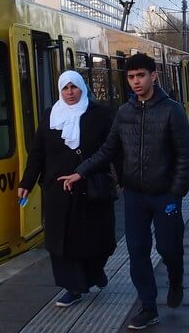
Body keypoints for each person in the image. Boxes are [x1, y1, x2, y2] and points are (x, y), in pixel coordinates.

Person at [59, 53, 189, 330]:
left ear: (153, 76)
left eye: (141, 76)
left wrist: (176, 193)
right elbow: (108, 150)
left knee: (169, 249)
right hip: (134, 196)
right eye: (131, 77)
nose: (135, 82)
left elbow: (185, 155)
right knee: (137, 251)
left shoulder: (172, 110)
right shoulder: (124, 112)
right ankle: (148, 307)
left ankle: (176, 278)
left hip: (165, 195)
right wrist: (81, 171)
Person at [17, 71, 117, 308]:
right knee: (60, 241)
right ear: (60, 91)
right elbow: (37, 153)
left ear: (82, 88)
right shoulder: (50, 115)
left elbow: (113, 150)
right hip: (57, 189)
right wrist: (26, 183)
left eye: (74, 87)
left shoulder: (100, 115)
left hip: (90, 187)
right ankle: (72, 287)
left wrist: (123, 178)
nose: (70, 92)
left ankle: (94, 272)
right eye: (65, 88)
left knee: (97, 238)